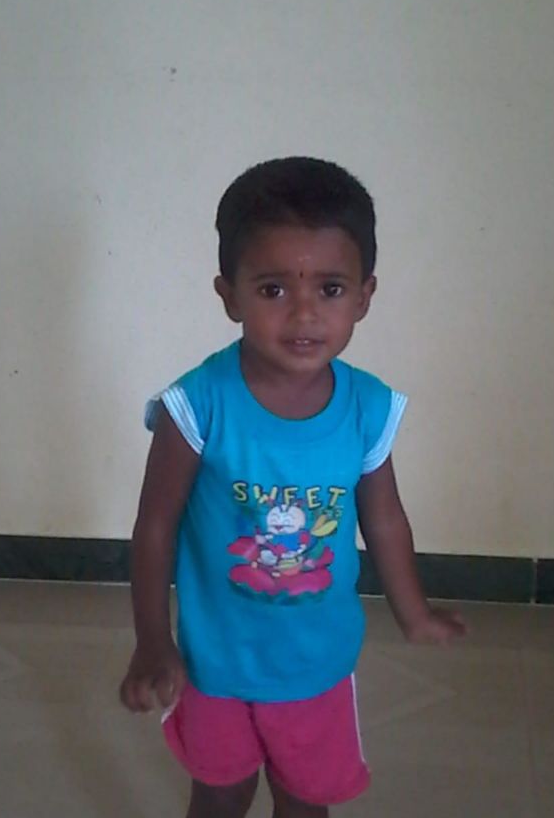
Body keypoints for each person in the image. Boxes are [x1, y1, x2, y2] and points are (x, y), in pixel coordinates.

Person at [119, 157, 466, 818]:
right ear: (230, 295)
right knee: (220, 795)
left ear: (364, 296)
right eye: (273, 288)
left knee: (305, 801)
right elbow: (156, 526)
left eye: (330, 289)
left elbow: (384, 519)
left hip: (317, 661)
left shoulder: (368, 408)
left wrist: (414, 613)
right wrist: (152, 639)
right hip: (216, 657)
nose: (304, 313)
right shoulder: (197, 405)